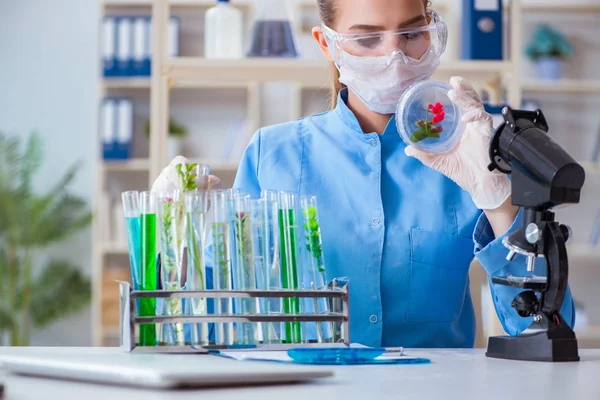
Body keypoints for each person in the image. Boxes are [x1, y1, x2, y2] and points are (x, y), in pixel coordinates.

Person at [153, 0, 574, 348]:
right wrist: (171, 238)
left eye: (411, 33)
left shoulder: (468, 155)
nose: (394, 55)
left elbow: (547, 335)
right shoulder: (272, 154)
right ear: (326, 43)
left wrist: (501, 202)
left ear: (432, 28)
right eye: (367, 38)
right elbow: (208, 328)